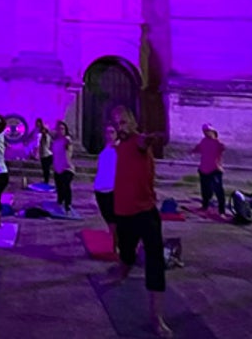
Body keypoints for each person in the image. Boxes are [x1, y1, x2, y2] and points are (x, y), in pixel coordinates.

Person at [110, 105, 172, 338]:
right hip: (123, 213)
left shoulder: (138, 141)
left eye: (123, 121)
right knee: (126, 253)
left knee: (155, 262)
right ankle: (122, 272)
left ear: (134, 123)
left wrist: (155, 137)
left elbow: (148, 141)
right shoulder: (119, 147)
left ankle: (157, 318)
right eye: (116, 123)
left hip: (146, 213)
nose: (120, 126)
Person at [93, 122, 120, 253]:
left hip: (112, 187)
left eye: (112, 132)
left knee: (113, 218)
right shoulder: (106, 147)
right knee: (107, 217)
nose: (109, 135)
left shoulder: (119, 148)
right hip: (100, 187)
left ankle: (116, 245)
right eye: (107, 132)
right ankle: (115, 241)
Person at [192, 123, 227, 217]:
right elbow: (197, 149)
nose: (206, 133)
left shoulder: (217, 142)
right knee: (205, 189)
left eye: (208, 131)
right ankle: (205, 205)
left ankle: (221, 210)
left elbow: (223, 148)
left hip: (215, 169)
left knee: (218, 190)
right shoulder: (203, 141)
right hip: (204, 168)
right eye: (205, 132)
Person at [52, 120, 78, 216]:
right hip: (58, 168)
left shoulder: (66, 140)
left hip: (67, 168)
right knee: (59, 187)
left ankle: (68, 205)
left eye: (62, 129)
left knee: (66, 186)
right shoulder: (56, 142)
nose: (60, 131)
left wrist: (67, 141)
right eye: (59, 129)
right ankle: (60, 202)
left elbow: (68, 142)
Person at [35, 118, 53, 185]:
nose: (42, 131)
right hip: (43, 155)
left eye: (44, 130)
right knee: (44, 169)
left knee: (46, 169)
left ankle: (46, 181)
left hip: (47, 155)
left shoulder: (46, 136)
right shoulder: (41, 136)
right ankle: (45, 180)